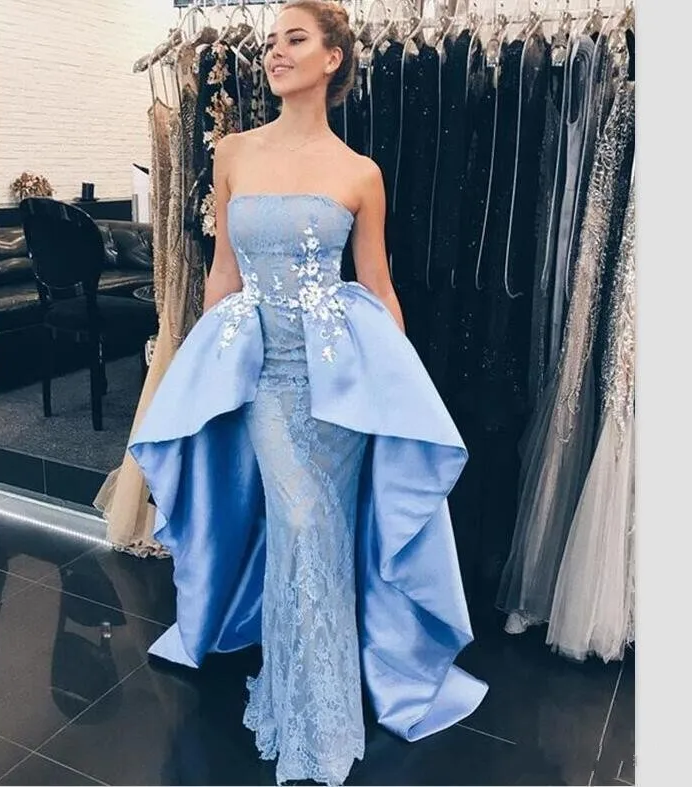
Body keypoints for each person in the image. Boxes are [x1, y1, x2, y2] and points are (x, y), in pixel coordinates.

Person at [129, 2, 487, 784]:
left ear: (333, 58)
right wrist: (197, 371)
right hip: (266, 377)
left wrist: (397, 392)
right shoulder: (232, 153)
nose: (275, 52)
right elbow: (224, 275)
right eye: (271, 42)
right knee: (297, 520)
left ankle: (319, 701)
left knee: (323, 533)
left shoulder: (360, 173)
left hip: (341, 384)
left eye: (294, 39)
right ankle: (308, 706)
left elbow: (379, 287)